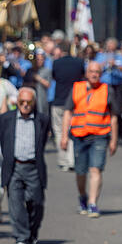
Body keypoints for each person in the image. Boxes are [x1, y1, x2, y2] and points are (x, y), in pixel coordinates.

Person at [61, 61, 119, 218]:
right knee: (80, 172)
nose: (94, 75)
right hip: (79, 135)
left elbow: (113, 116)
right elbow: (67, 112)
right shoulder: (77, 88)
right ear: (86, 73)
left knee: (96, 169)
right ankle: (83, 197)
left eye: (97, 72)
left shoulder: (107, 90)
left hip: (100, 135)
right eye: (92, 72)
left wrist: (114, 139)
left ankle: (93, 204)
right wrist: (64, 136)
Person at [0, 86, 50, 244]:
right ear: (17, 102)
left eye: (29, 102)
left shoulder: (42, 119)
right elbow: (3, 140)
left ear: (34, 103)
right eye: (22, 102)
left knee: (36, 203)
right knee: (15, 204)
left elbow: (42, 142)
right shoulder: (7, 118)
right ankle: (21, 236)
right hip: (14, 166)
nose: (25, 105)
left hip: (33, 167)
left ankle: (32, 232)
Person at [51, 40, 85, 171]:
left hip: (59, 100)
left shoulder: (56, 63)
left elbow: (54, 77)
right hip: (75, 100)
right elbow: (83, 76)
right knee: (72, 131)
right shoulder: (79, 62)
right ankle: (72, 160)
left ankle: (63, 160)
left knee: (60, 131)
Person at [24, 49, 52, 117]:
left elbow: (48, 85)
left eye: (41, 59)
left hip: (41, 98)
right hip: (31, 97)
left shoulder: (47, 70)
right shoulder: (30, 70)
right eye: (37, 59)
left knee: (42, 115)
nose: (39, 61)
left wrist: (38, 78)